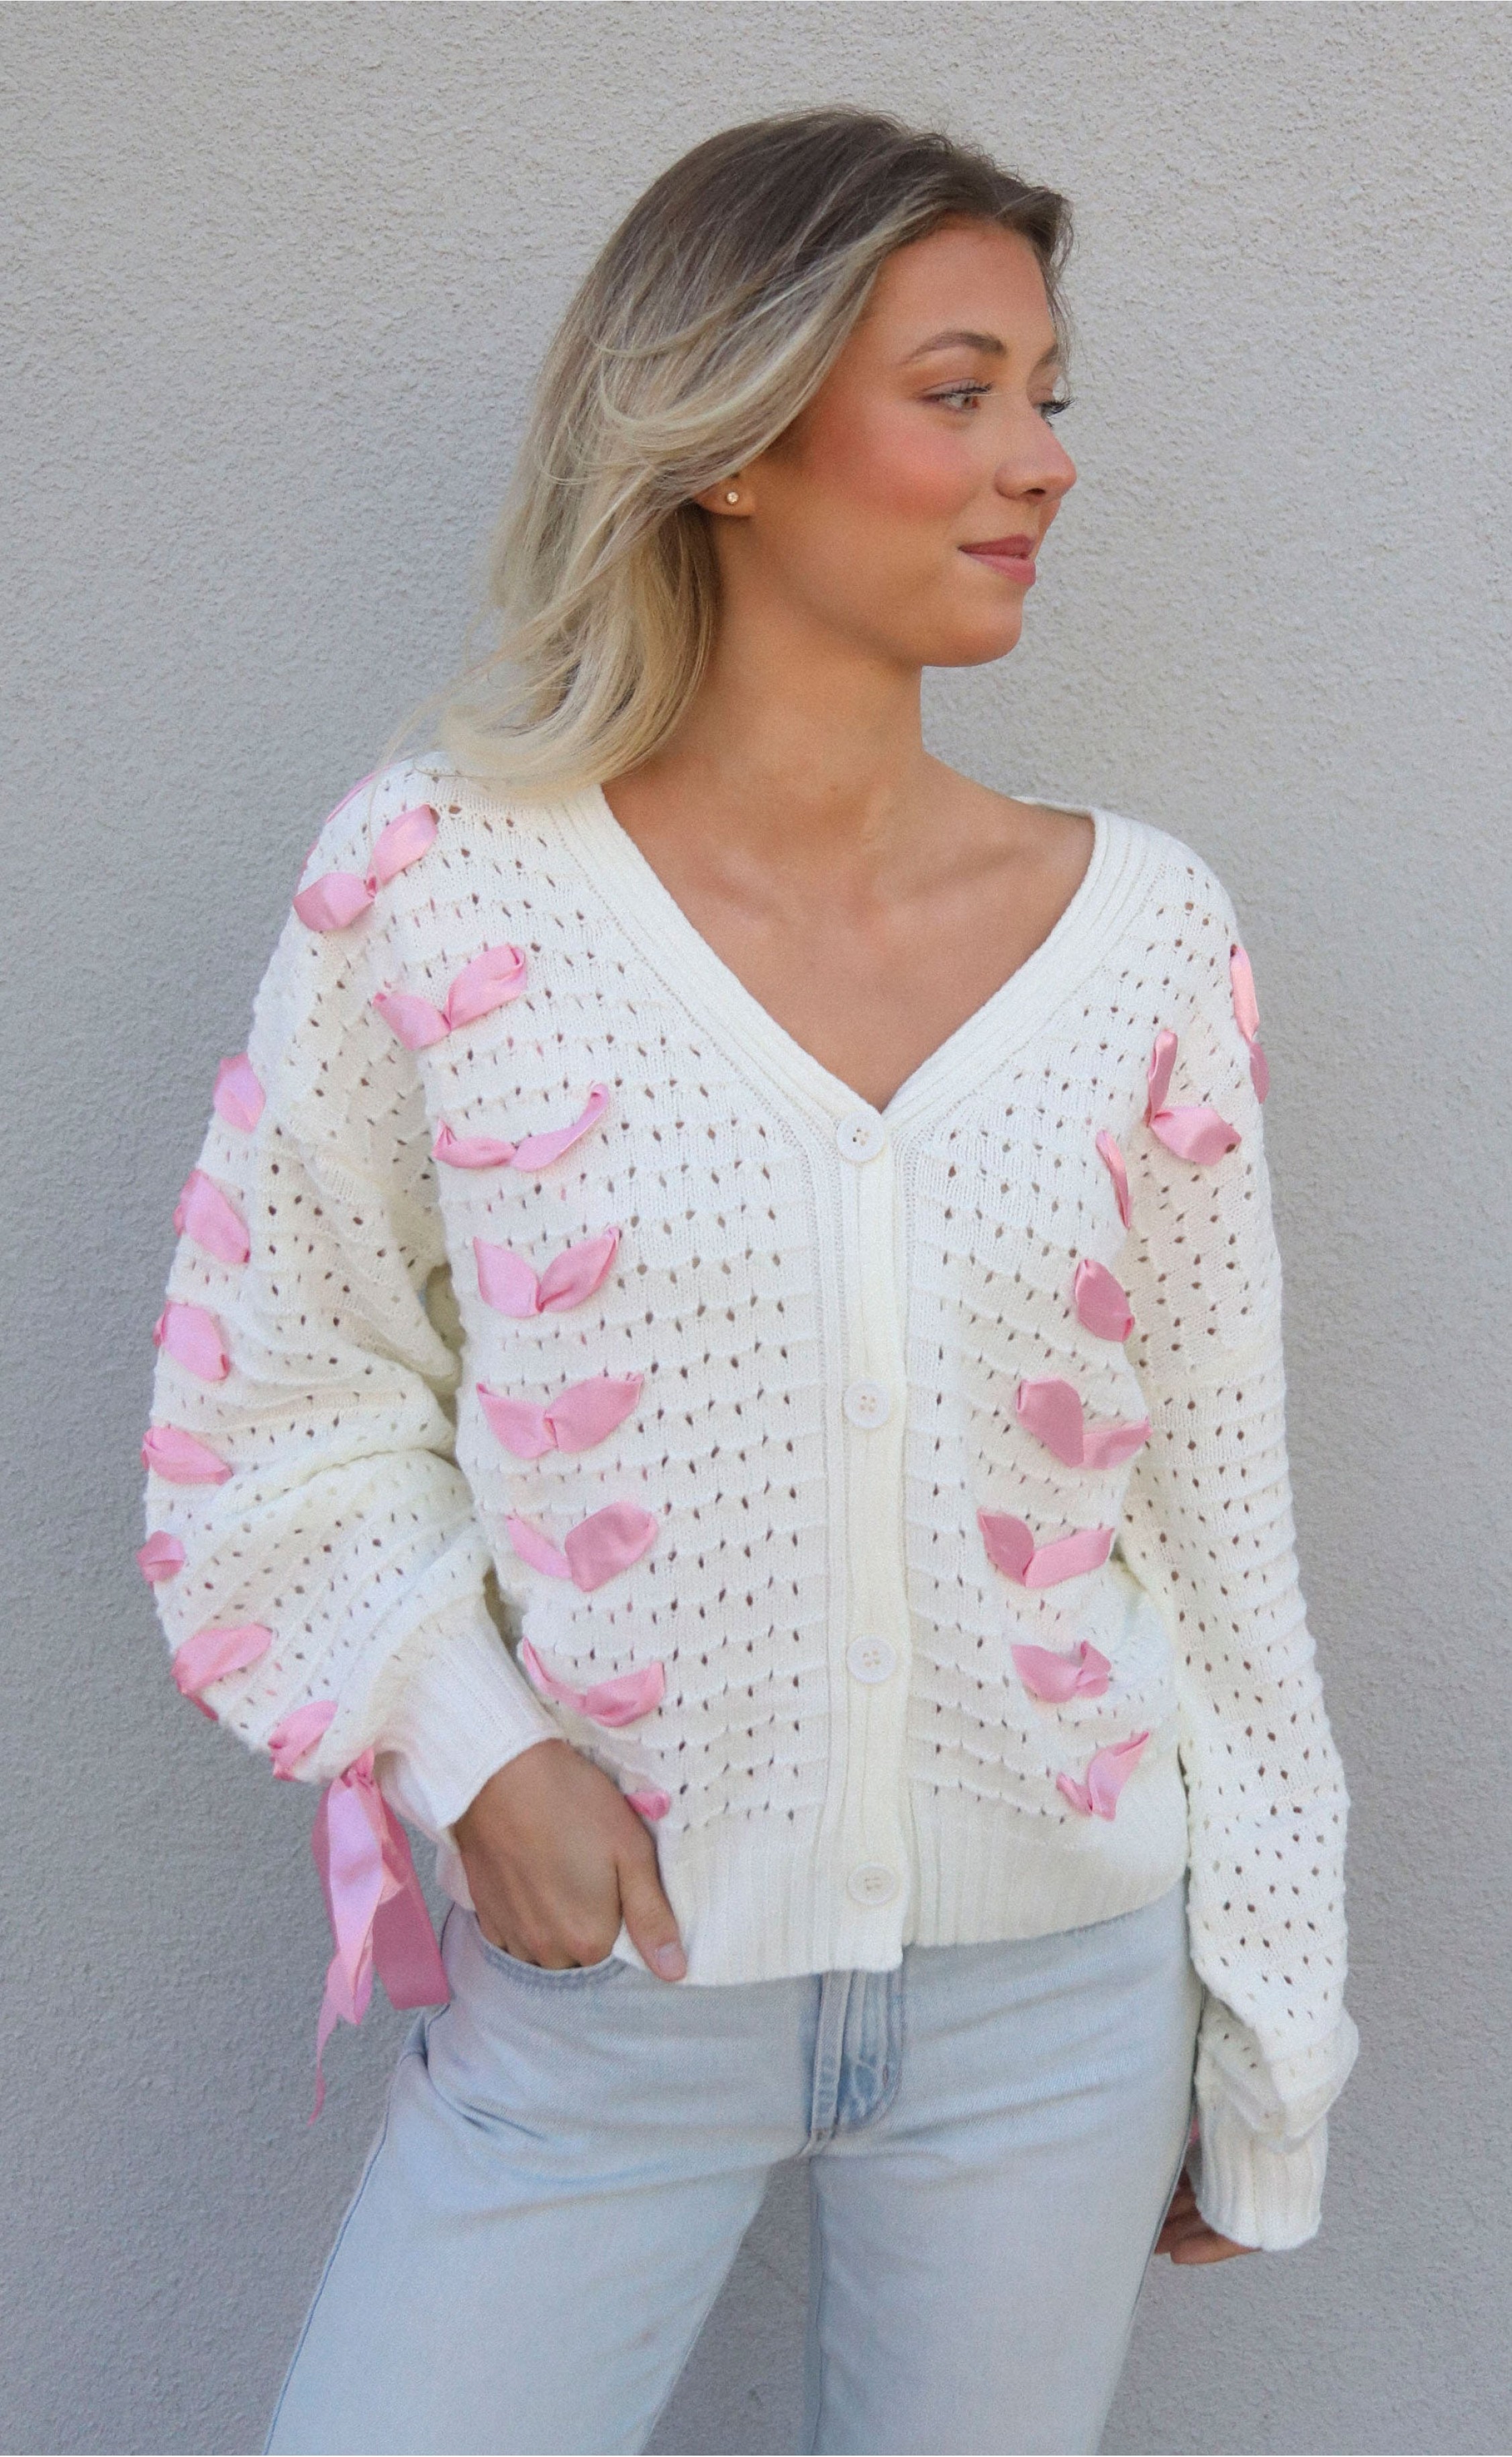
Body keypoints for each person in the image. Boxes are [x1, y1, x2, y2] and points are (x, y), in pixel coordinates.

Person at [141, 108, 1356, 2457]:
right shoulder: (439, 886)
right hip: (611, 2000)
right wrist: (477, 1751)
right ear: (730, 439)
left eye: (1047, 397)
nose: (1043, 461)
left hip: (1058, 2013)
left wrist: (1268, 2026)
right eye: (960, 393)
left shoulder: (1145, 940)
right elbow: (274, 1408)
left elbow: (1213, 1528)